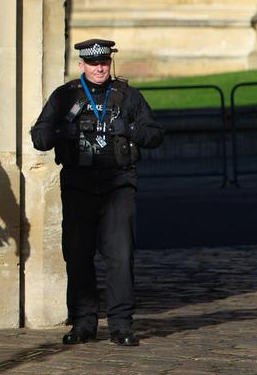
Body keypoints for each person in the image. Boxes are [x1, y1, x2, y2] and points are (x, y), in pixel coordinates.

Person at [30, 39, 164, 347]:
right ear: (81, 66)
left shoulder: (128, 96)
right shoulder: (65, 97)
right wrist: (63, 131)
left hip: (118, 185)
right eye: (93, 63)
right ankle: (83, 323)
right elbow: (39, 137)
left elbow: (155, 135)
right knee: (77, 256)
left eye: (103, 62)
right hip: (79, 187)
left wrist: (129, 130)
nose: (99, 67)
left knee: (120, 256)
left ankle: (120, 325)